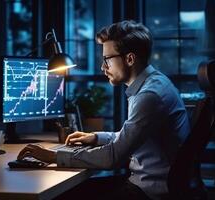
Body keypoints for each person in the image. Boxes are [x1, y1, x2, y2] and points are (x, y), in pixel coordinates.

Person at [17, 20, 190, 200]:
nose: (102, 67)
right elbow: (131, 137)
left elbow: (113, 157)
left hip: (148, 192)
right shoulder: (155, 84)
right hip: (150, 184)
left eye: (107, 59)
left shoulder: (149, 96)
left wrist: (54, 156)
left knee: (62, 195)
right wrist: (96, 137)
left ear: (129, 59)